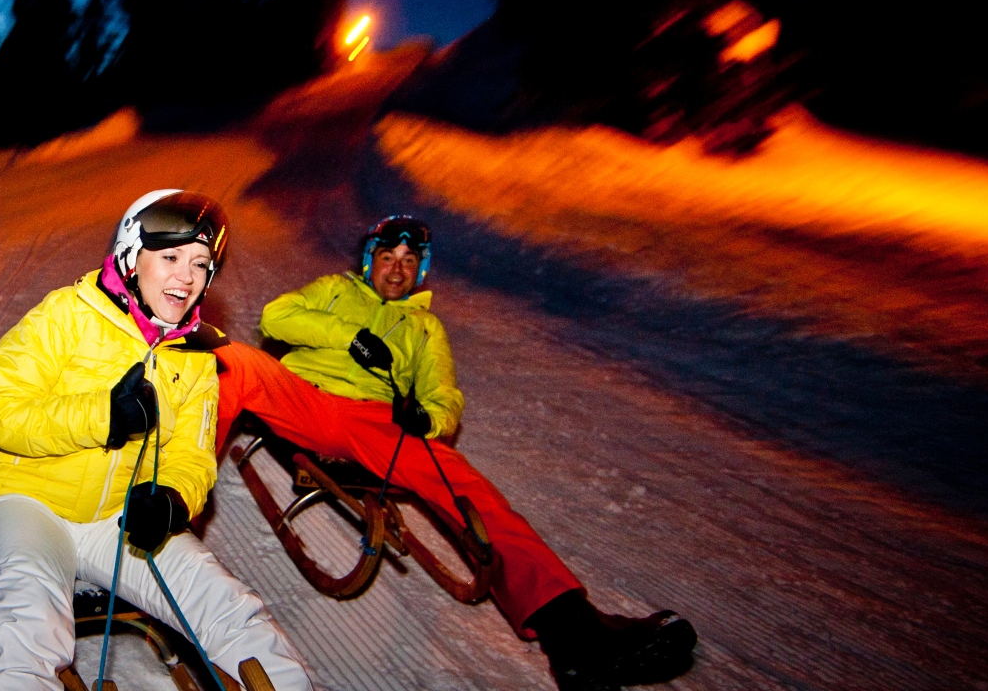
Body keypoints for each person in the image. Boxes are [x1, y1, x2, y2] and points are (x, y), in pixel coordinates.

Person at [212, 215, 698, 691]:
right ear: (369, 262)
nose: (397, 270)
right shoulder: (334, 289)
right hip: (302, 397)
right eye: (387, 257)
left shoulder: (425, 328)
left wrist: (428, 418)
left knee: (466, 489)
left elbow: (445, 396)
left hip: (372, 422)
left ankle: (572, 632)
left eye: (409, 261)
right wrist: (349, 336)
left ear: (419, 271)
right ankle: (171, 493)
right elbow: (277, 315)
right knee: (228, 359)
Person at [0, 190, 312, 691]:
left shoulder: (197, 358)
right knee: (29, 625)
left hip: (117, 520)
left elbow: (192, 456)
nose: (186, 278)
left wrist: (171, 499)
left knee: (229, 608)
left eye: (199, 263)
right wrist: (101, 416)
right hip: (25, 501)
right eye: (170, 257)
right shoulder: (66, 313)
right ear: (132, 254)